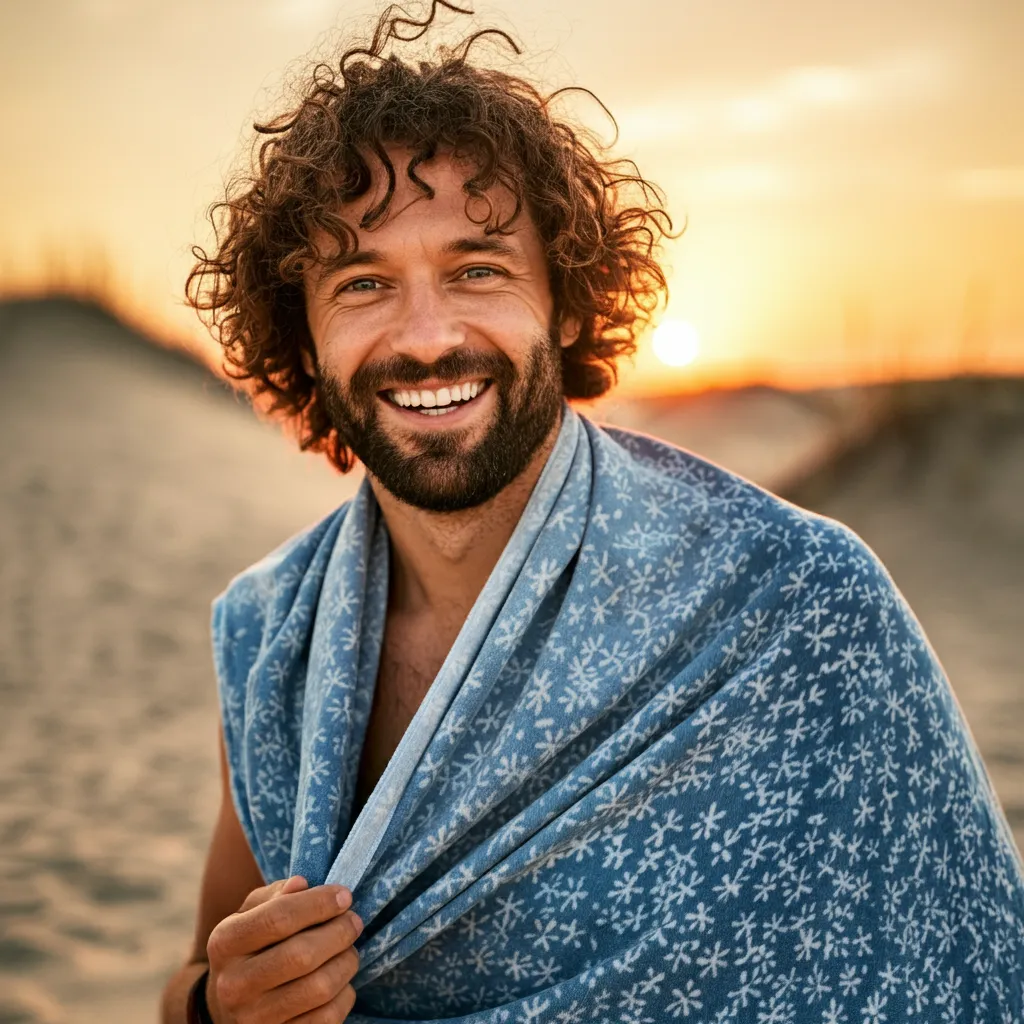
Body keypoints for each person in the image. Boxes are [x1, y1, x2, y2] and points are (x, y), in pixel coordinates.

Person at [161, 3, 1024, 1021]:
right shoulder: (273, 644)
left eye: (476, 270)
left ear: (565, 302)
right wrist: (221, 1004)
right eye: (363, 283)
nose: (426, 335)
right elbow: (190, 987)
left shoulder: (795, 607)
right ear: (304, 339)